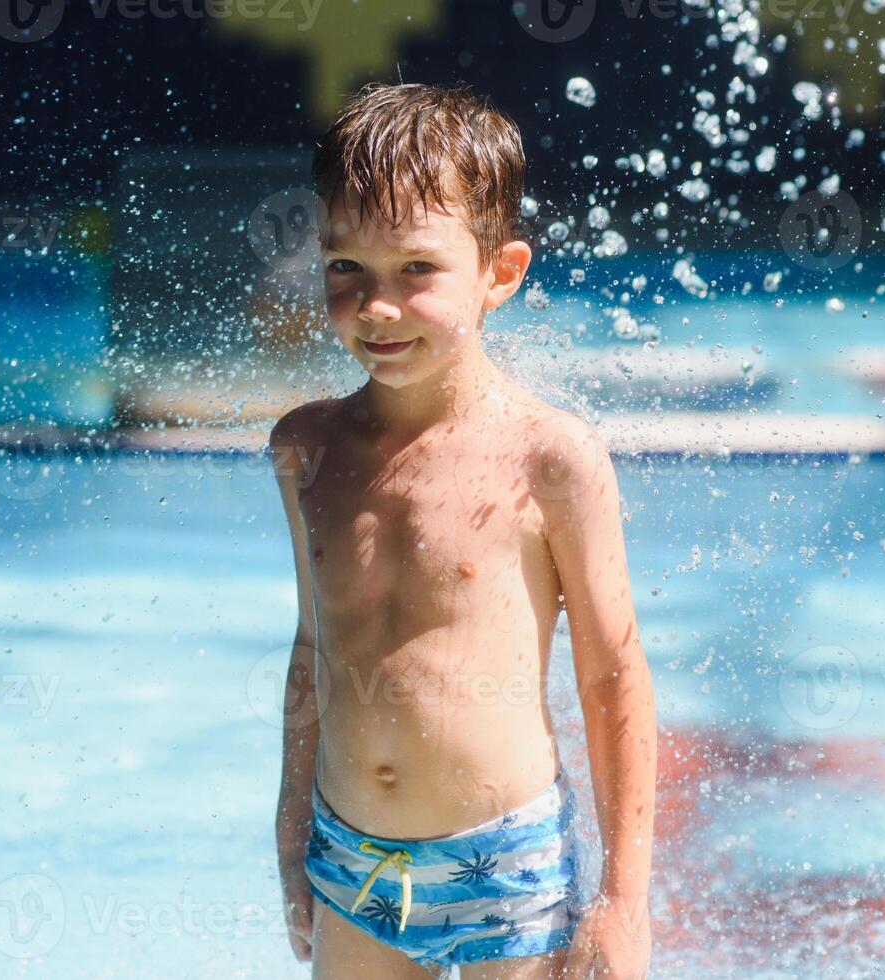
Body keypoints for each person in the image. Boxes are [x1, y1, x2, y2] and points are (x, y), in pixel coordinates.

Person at [268, 83, 657, 979]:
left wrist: (624, 902)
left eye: (416, 270)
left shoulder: (549, 457)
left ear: (500, 274)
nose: (376, 307)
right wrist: (292, 832)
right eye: (345, 268)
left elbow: (614, 674)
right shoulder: (305, 450)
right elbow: (309, 650)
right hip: (352, 863)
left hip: (505, 867)